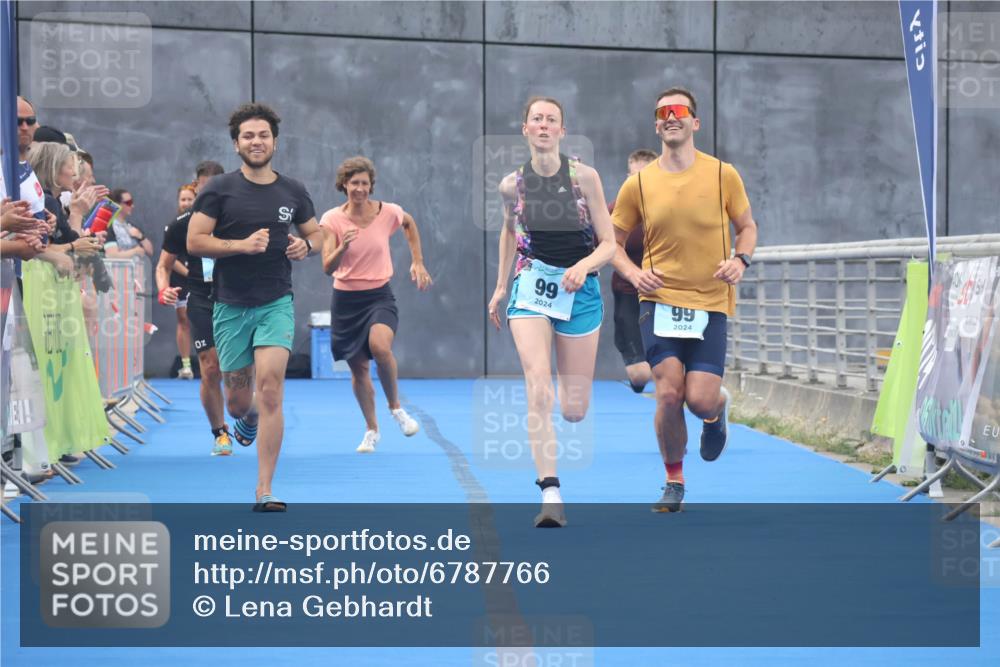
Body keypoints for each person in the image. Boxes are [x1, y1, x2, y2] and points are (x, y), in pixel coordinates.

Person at [610, 87, 758, 513]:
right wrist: (635, 273)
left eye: (679, 111)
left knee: (699, 399)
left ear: (695, 122)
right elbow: (613, 242)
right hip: (658, 301)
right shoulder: (638, 183)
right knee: (669, 394)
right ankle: (674, 480)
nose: (670, 118)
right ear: (656, 125)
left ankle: (715, 414)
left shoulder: (721, 175)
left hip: (711, 302)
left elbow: (747, 226)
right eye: (662, 113)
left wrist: (741, 259)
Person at [487, 96, 616, 528]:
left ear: (563, 131)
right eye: (536, 119)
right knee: (537, 387)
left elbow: (609, 243)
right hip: (532, 287)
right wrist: (502, 286)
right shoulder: (512, 185)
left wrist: (583, 267)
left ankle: (567, 405)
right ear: (524, 129)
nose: (544, 126)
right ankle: (551, 492)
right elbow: (509, 230)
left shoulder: (585, 178)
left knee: (574, 408)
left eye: (552, 120)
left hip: (579, 289)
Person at [187, 103, 323, 512]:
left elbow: (318, 235)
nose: (256, 141)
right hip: (229, 305)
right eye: (248, 135)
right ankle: (244, 421)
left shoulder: (293, 191)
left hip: (275, 302)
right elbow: (195, 241)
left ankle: (265, 490)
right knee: (239, 402)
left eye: (263, 135)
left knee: (271, 390)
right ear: (236, 144)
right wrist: (241, 246)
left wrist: (307, 246)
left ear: (275, 142)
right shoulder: (218, 190)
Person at [320, 156, 432, 454]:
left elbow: (409, 223)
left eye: (365, 183)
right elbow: (327, 267)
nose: (360, 189)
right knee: (358, 370)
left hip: (379, 295)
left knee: (381, 347)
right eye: (354, 183)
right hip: (345, 300)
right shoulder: (332, 220)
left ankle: (396, 408)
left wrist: (417, 261)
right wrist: (343, 246)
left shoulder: (388, 212)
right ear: (344, 185)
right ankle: (372, 429)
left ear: (371, 186)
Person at [158, 165, 229, 455]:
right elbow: (163, 265)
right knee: (210, 366)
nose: (210, 192)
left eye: (216, 186)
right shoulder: (181, 224)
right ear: (196, 188)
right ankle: (220, 433)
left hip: (237, 298)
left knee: (236, 372)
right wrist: (164, 288)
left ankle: (245, 411)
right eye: (204, 187)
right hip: (200, 297)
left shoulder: (238, 219)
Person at [610, 149, 658, 393]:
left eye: (644, 176)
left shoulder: (668, 209)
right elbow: (600, 246)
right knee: (640, 376)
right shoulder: (615, 210)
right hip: (628, 294)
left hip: (665, 297)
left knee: (667, 371)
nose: (637, 183)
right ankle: (640, 371)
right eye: (632, 176)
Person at [165, 183, 196, 379]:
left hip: (205, 280)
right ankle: (186, 366)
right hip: (183, 280)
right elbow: (169, 259)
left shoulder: (207, 224)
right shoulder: (173, 226)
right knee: (183, 320)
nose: (186, 203)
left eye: (189, 199)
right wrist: (189, 273)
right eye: (182, 199)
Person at [106, 189, 153, 259]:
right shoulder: (110, 227)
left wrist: (141, 236)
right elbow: (111, 255)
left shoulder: (131, 227)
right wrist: (135, 251)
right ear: (118, 204)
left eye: (132, 202)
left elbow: (150, 251)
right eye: (128, 203)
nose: (132, 206)